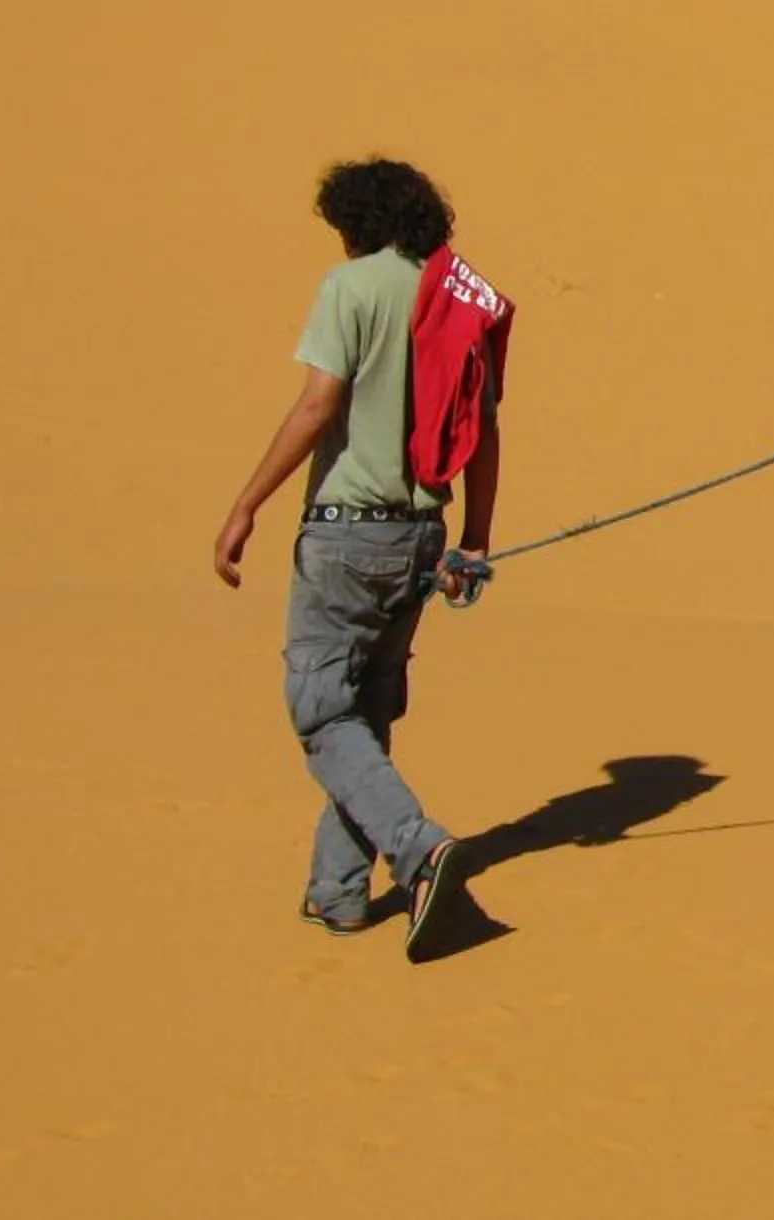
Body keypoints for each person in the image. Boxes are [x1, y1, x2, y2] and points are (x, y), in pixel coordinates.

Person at [213, 158, 506, 961]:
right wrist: (475, 541)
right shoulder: (456, 298)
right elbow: (483, 430)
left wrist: (247, 504)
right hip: (421, 535)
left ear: (357, 220)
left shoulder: (353, 289)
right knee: (365, 715)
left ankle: (418, 848)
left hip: (348, 535)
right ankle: (339, 894)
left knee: (319, 711)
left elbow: (318, 403)